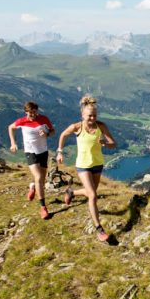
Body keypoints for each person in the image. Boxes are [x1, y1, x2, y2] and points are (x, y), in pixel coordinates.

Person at [56, 95, 117, 243]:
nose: (92, 118)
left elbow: (113, 144)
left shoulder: (101, 126)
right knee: (93, 195)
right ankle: (99, 229)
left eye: (95, 115)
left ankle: (72, 192)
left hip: (97, 164)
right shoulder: (77, 127)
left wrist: (105, 142)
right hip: (83, 165)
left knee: (91, 194)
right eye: (90, 115)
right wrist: (59, 151)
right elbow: (63, 134)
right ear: (83, 115)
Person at [8, 101, 55, 219]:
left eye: (34, 112)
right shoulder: (22, 121)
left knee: (42, 180)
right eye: (30, 112)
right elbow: (10, 127)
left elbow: (53, 131)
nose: (32, 114)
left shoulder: (43, 119)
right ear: (26, 112)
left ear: (37, 111)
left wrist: (46, 133)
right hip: (30, 152)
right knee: (39, 177)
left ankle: (33, 186)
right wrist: (13, 143)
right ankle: (43, 207)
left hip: (43, 151)